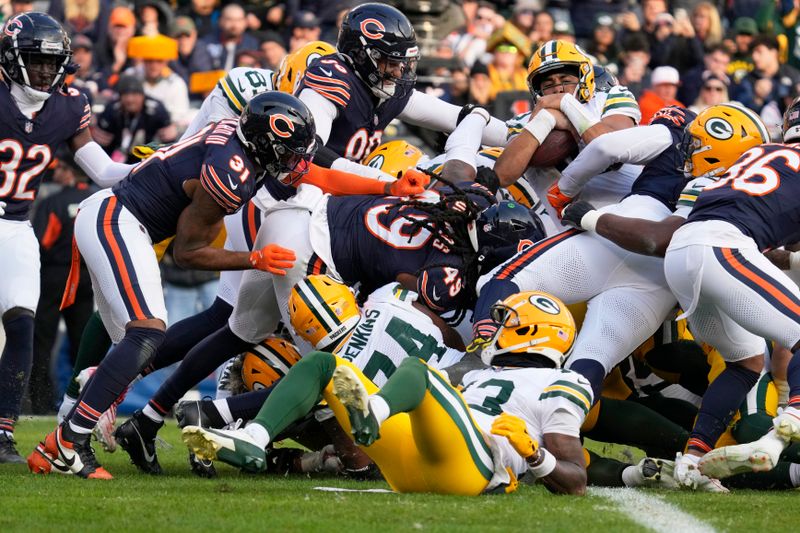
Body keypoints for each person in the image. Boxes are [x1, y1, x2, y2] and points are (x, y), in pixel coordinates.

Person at [26, 92, 317, 478]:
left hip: (119, 218)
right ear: (265, 142)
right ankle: (68, 443)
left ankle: (61, 437)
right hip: (119, 220)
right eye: (288, 152)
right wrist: (253, 260)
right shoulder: (230, 174)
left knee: (130, 356)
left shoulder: (236, 140)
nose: (295, 163)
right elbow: (188, 252)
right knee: (146, 333)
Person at [182, 291, 591, 496]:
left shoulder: (565, 384)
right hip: (410, 466)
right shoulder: (483, 370)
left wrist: (535, 455)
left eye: (506, 321)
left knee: (419, 371)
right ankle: (255, 437)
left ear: (531, 331)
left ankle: (373, 412)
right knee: (325, 365)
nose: (496, 329)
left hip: (474, 466)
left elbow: (576, 479)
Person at [555, 104, 772, 491]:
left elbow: (660, 239)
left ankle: (695, 456)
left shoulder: (705, 184)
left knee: (745, 377)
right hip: (717, 281)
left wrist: (588, 216)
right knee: (747, 389)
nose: (687, 151)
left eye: (698, 142)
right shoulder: (741, 185)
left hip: (698, 279)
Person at [0, 12, 135, 465]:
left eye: (51, 61)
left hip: (16, 225)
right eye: (35, 60)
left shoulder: (67, 105)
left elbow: (103, 170)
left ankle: (1, 433)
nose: (43, 70)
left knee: (21, 325)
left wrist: (158, 166)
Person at [494, 39, 641, 229]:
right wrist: (544, 121)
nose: (558, 88)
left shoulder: (610, 97)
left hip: (630, 210)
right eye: (548, 84)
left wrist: (567, 106)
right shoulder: (523, 121)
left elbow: (613, 148)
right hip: (567, 228)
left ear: (584, 77)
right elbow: (502, 175)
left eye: (565, 80)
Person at [29, 155, 94, 414]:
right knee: (84, 343)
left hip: (55, 276)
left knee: (42, 340)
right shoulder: (96, 200)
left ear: (69, 172)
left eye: (59, 168)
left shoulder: (53, 202)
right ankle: (85, 403)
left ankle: (40, 402)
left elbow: (41, 243)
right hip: (87, 277)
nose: (55, 173)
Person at [93, 75, 176, 164]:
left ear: (143, 95)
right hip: (116, 160)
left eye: (135, 94)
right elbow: (101, 146)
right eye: (126, 94)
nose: (130, 99)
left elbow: (169, 144)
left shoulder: (156, 109)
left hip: (149, 160)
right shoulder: (112, 109)